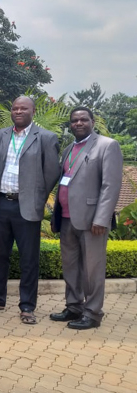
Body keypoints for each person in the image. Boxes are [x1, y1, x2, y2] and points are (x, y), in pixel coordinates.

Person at [0, 95, 60, 325]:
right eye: (15, 108)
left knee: (29, 259)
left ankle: (27, 307)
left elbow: (52, 172)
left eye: (24, 108)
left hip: (27, 207)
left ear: (33, 111)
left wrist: (37, 197)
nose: (18, 111)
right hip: (1, 204)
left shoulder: (46, 138)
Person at [50, 107, 122, 329]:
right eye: (74, 120)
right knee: (71, 266)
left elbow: (110, 186)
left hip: (92, 221)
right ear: (70, 124)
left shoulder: (107, 145)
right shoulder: (69, 148)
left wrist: (102, 218)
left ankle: (92, 313)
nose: (78, 123)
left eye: (83, 119)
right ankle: (74, 307)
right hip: (67, 218)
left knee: (92, 269)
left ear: (93, 121)